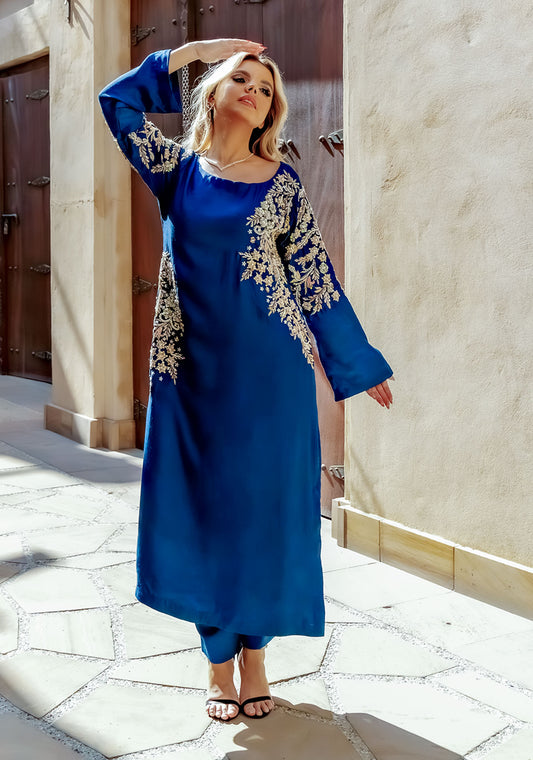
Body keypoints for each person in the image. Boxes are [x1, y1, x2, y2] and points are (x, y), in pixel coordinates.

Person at [99, 38, 393, 723]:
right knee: (203, 510)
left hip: (270, 377)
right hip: (191, 379)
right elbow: (116, 103)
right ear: (214, 91)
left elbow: (313, 277)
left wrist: (355, 361)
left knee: (264, 512)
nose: (255, 91)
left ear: (270, 110)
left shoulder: (282, 184)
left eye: (265, 88)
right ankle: (216, 660)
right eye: (242, 79)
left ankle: (254, 657)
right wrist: (196, 50)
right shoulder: (176, 171)